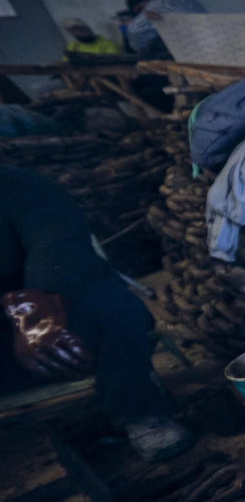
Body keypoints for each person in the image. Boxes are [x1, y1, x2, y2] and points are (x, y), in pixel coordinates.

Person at [2, 167, 193, 461]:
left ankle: (139, 411)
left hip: (56, 321)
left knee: (111, 306)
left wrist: (34, 318)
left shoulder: (17, 183)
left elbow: (55, 238)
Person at [122, 0, 207, 59]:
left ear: (137, 9)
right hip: (209, 42)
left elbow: (135, 36)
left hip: (189, 51)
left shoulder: (154, 6)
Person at [60, 18, 124, 57]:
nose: (79, 31)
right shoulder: (72, 46)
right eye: (74, 29)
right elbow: (67, 64)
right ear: (70, 33)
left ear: (88, 29)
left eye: (81, 28)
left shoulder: (108, 45)